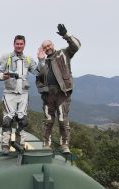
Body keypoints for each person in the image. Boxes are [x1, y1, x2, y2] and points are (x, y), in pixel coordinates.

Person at [36, 24, 81, 154]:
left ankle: (64, 145)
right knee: (48, 120)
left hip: (62, 92)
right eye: (44, 47)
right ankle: (46, 144)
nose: (47, 48)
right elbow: (38, 76)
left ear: (53, 45)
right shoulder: (42, 61)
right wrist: (40, 60)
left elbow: (76, 46)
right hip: (48, 93)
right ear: (42, 50)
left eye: (48, 45)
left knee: (62, 119)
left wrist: (66, 35)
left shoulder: (63, 53)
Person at [0, 34, 38, 155]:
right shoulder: (6, 57)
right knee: (7, 120)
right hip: (9, 93)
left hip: (23, 93)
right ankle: (5, 146)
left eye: (21, 44)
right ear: (14, 44)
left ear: (24, 45)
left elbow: (39, 72)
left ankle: (20, 144)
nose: (19, 46)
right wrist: (3, 76)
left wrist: (42, 59)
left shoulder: (28, 59)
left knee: (23, 121)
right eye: (17, 44)